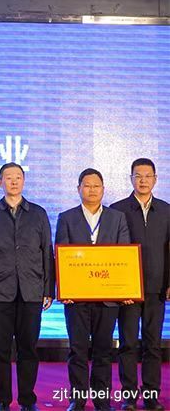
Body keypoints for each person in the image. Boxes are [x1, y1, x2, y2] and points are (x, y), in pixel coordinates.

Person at [0, 162, 54, 411]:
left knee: (28, 349)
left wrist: (48, 289)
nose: (14, 181)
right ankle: (2, 400)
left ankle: (28, 400)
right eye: (8, 177)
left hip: (31, 290)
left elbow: (47, 253)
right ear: (0, 182)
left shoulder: (38, 213)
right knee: (0, 349)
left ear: (24, 180)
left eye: (18, 177)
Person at [55, 168, 130, 411]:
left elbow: (123, 255)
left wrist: (124, 289)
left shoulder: (117, 218)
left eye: (96, 186)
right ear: (78, 189)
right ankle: (77, 400)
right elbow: (61, 256)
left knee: (103, 352)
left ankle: (101, 401)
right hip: (76, 298)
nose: (92, 190)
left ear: (103, 189)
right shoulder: (66, 218)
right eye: (87, 186)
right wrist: (64, 289)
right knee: (77, 351)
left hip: (107, 298)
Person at [111, 158, 169, 411]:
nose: (143, 180)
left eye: (148, 176)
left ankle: (151, 396)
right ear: (131, 178)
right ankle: (129, 397)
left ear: (155, 179)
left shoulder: (166, 210)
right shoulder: (117, 210)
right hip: (127, 290)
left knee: (152, 344)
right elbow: (111, 251)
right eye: (138, 175)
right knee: (128, 344)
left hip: (157, 288)